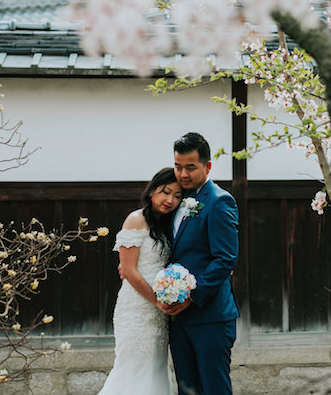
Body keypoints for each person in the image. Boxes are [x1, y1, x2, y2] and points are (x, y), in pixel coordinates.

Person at [163, 132, 240, 395]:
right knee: (187, 390)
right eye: (177, 166)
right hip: (178, 319)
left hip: (211, 317)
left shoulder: (220, 201)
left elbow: (225, 259)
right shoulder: (174, 201)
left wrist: (191, 297)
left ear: (207, 166)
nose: (182, 173)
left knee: (214, 389)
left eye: (190, 167)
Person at [98, 167, 183, 395]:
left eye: (177, 196)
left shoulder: (165, 224)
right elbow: (128, 269)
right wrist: (156, 300)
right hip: (136, 307)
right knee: (131, 368)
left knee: (154, 370)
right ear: (153, 189)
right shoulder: (136, 219)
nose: (170, 200)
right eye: (166, 192)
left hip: (158, 313)